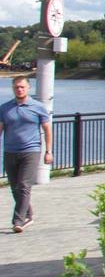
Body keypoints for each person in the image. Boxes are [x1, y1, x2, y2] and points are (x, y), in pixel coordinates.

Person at [1, 75, 52, 234]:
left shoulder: (38, 107)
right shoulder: (4, 108)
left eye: (22, 87)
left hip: (31, 151)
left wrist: (48, 151)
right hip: (10, 151)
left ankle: (18, 220)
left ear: (28, 88)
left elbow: (47, 130)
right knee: (15, 187)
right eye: (16, 87)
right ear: (13, 88)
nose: (19, 89)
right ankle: (28, 214)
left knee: (23, 185)